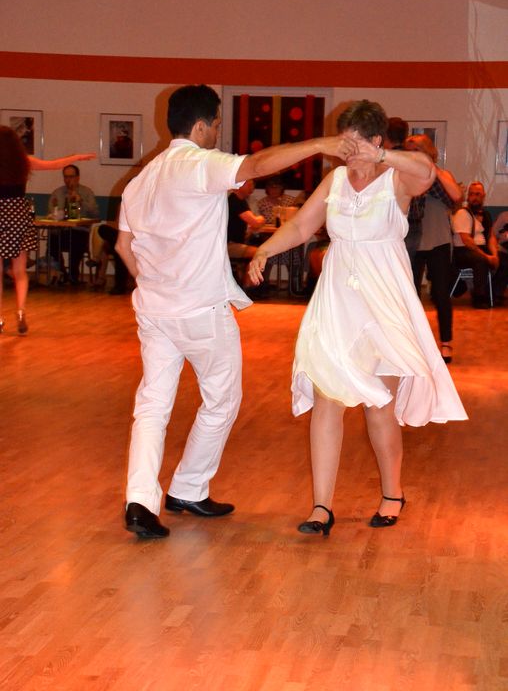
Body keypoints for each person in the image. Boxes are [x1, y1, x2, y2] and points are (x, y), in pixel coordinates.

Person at [115, 83, 357, 540]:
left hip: (154, 310)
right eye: (217, 124)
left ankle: (140, 501)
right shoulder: (198, 164)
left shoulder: (141, 180)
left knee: (152, 406)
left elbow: (125, 246)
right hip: (201, 309)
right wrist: (321, 144)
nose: (217, 133)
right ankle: (188, 487)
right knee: (221, 400)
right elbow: (258, 165)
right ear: (201, 127)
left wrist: (153, 282)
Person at [249, 100, 467, 535]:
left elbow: (427, 173)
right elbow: (301, 226)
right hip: (337, 302)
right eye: (341, 142)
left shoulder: (396, 179)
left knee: (379, 405)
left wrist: (382, 156)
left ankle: (392, 493)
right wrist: (264, 250)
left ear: (375, 140)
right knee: (326, 401)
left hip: (383, 302)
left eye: (354, 143)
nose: (345, 151)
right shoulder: (334, 181)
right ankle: (321, 507)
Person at [0, 126, 94, 334]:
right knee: (20, 271)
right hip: (18, 215)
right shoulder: (23, 161)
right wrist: (76, 157)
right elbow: (54, 165)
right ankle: (21, 312)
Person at [404, 134, 463, 363]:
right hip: (412, 242)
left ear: (428, 152)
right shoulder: (405, 176)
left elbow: (456, 199)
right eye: (409, 150)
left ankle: (446, 342)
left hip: (438, 241)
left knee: (441, 294)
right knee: (410, 294)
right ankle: (414, 343)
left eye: (416, 150)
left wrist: (431, 168)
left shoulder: (441, 175)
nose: (412, 155)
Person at [451, 182, 506, 308]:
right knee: (481, 260)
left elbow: (490, 237)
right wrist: (487, 257)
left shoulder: (486, 214)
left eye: (477, 194)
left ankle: (494, 294)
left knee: (503, 259)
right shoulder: (462, 213)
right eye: (471, 194)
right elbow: (467, 240)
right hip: (463, 251)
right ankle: (479, 297)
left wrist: (494, 254)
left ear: (483, 196)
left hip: (480, 248)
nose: (474, 197)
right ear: (468, 196)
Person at [48, 164, 99, 284]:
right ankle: (61, 272)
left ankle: (73, 274)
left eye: (71, 176)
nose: (68, 180)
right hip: (62, 231)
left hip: (80, 231)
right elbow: (51, 212)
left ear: (77, 177)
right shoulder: (57, 193)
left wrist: (81, 200)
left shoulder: (86, 192)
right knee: (52, 239)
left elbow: (95, 214)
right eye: (65, 177)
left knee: (76, 238)